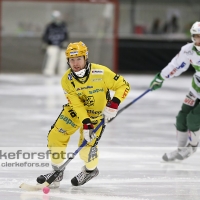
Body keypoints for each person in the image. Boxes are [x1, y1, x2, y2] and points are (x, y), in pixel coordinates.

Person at [36, 41, 130, 188]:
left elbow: (123, 85)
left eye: (78, 58)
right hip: (74, 112)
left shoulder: (101, 72)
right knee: (55, 136)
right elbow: (76, 104)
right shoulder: (66, 80)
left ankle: (90, 171)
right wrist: (86, 122)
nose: (75, 63)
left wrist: (114, 103)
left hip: (97, 116)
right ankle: (57, 172)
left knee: (86, 150)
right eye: (71, 60)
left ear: (85, 58)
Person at [150, 21, 200, 162]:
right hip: (196, 88)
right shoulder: (188, 50)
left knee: (193, 119)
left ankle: (191, 147)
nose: (198, 40)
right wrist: (161, 78)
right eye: (196, 36)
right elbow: (176, 66)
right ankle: (180, 149)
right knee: (181, 118)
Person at [42, 10, 69, 76]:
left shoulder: (63, 26)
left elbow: (66, 35)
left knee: (63, 58)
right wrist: (45, 43)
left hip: (62, 45)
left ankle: (62, 72)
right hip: (52, 45)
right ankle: (49, 71)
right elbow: (45, 35)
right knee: (52, 56)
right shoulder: (49, 26)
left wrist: (65, 42)